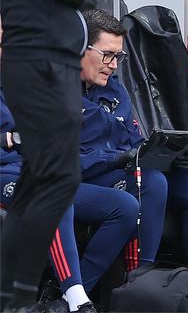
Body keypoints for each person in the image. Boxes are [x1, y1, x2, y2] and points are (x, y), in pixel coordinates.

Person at [0, 0, 99, 308]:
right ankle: (17, 292)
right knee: (58, 177)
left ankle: (10, 293)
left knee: (46, 178)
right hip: (36, 59)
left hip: (55, 61)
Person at [78, 9, 188, 273]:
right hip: (87, 177)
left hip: (123, 170)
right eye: (107, 55)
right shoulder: (54, 92)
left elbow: (135, 141)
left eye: (118, 56)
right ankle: (140, 284)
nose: (113, 64)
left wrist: (173, 156)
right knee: (151, 182)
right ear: (78, 48)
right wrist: (117, 158)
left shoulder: (114, 88)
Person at [1, 90, 136, 313]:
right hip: (6, 173)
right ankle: (77, 300)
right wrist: (13, 138)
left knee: (124, 207)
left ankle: (60, 299)